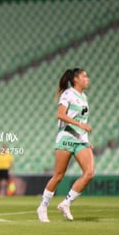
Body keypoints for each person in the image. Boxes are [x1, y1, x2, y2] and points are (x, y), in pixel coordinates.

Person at [37, 68, 94, 222]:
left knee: (89, 173)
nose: (87, 79)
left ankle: (66, 203)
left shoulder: (84, 97)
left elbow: (82, 121)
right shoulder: (68, 94)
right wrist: (80, 126)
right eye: (84, 76)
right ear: (76, 79)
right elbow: (60, 115)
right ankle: (42, 207)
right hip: (67, 137)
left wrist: (86, 139)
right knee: (59, 176)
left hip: (81, 140)